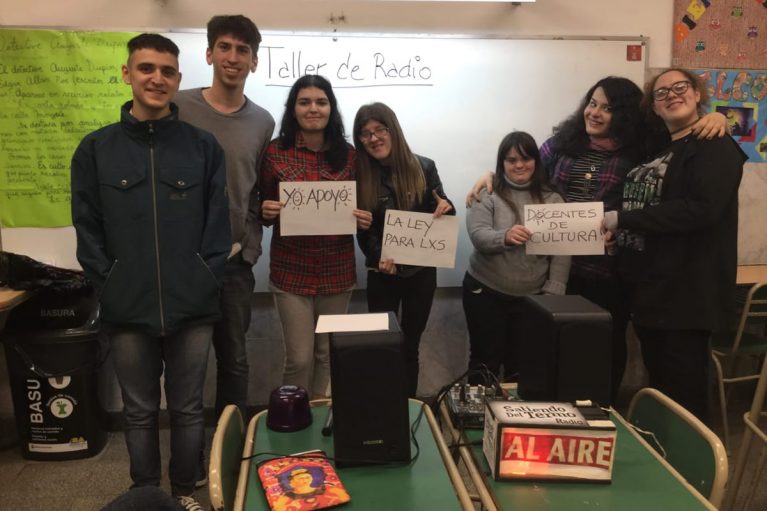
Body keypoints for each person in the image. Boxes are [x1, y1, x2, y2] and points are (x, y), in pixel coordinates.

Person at [466, 77, 726, 403]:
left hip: (609, 272)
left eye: (608, 107)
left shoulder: (643, 151)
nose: (595, 113)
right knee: (553, 352)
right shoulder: (560, 145)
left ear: (626, 114)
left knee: (605, 349)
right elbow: (521, 168)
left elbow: (679, 149)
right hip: (555, 272)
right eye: (592, 103)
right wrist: (492, 174)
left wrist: (717, 117)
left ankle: (601, 412)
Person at [71, 34, 229, 511]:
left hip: (192, 303)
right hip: (127, 304)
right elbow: (87, 227)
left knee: (187, 408)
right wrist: (110, 282)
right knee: (139, 411)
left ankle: (183, 493)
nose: (156, 78)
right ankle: (145, 495)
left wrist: (204, 277)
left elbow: (218, 227)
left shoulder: (203, 147)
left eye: (167, 71)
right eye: (146, 68)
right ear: (127, 74)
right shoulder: (96, 149)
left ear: (178, 80)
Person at [603, 68, 745, 422]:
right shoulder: (663, 149)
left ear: (697, 94)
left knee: (685, 402)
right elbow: (653, 206)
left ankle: (694, 460)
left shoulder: (713, 143)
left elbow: (701, 209)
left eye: (680, 87)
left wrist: (623, 220)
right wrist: (621, 236)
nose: (672, 94)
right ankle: (667, 455)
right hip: (653, 295)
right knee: (665, 393)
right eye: (661, 92)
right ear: (653, 107)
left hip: (685, 297)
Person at [174, 14, 274, 429]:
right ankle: (189, 448)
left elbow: (256, 188)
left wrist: (250, 245)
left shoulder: (263, 122)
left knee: (234, 360)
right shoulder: (177, 106)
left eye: (242, 50)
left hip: (234, 262)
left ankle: (229, 445)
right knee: (186, 361)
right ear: (209, 53)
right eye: (225, 47)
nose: (233, 57)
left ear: (254, 61)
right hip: (182, 261)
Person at [260, 75, 371, 399]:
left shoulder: (349, 155)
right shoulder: (275, 152)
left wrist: (364, 219)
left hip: (337, 273)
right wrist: (265, 210)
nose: (313, 109)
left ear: (331, 108)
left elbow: (362, 205)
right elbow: (260, 204)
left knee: (327, 355)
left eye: (321, 102)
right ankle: (294, 417)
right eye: (304, 102)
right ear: (293, 108)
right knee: (299, 358)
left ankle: (321, 417)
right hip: (290, 273)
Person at [354, 102, 454, 397]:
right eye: (365, 133)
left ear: (393, 130)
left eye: (379, 130)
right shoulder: (360, 176)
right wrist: (378, 257)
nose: (374, 138)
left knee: (410, 347)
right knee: (381, 346)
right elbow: (364, 229)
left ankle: (408, 407)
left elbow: (442, 210)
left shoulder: (425, 167)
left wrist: (447, 209)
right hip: (382, 275)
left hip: (421, 275)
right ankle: (382, 406)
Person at [464, 131, 570, 382]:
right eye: (511, 160)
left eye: (526, 159)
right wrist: (506, 236)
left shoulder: (553, 199)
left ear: (536, 161)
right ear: (502, 163)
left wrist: (554, 290)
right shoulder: (486, 192)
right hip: (485, 292)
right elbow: (478, 236)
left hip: (532, 299)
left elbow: (561, 250)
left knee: (522, 365)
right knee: (484, 361)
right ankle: (480, 409)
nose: (519, 165)